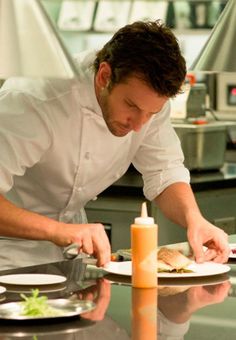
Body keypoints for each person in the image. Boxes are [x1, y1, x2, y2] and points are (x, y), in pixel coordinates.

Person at [0, 20, 230, 270]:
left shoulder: (148, 102)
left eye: (152, 113)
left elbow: (165, 171)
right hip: (7, 252)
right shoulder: (33, 99)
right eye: (131, 106)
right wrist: (59, 230)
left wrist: (194, 219)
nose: (140, 125)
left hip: (70, 254)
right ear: (104, 76)